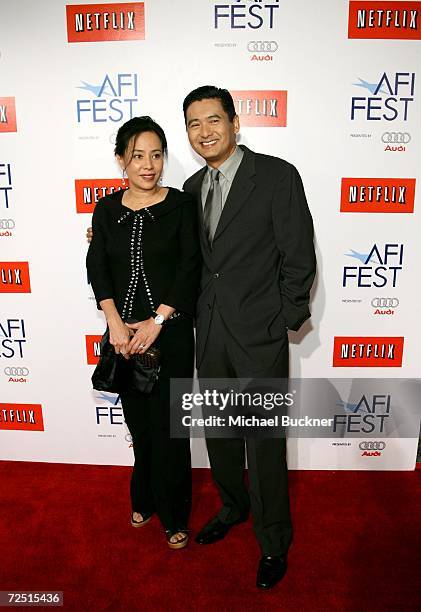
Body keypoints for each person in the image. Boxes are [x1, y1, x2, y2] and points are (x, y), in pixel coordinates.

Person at [182, 86, 316, 588]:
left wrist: (282, 319)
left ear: (235, 123)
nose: (205, 131)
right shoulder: (191, 189)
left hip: (258, 333)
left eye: (214, 120)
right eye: (194, 124)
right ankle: (232, 507)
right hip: (209, 330)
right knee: (219, 434)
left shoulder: (277, 176)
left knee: (262, 441)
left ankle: (274, 539)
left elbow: (298, 255)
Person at [86, 116, 201, 549]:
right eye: (137, 156)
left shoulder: (181, 204)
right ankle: (144, 497)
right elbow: (97, 265)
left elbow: (190, 264)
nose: (148, 165)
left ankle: (175, 514)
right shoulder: (106, 208)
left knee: (171, 427)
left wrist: (159, 320)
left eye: (156, 155)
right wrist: (115, 322)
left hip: (169, 333)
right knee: (139, 425)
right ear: (121, 160)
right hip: (124, 339)